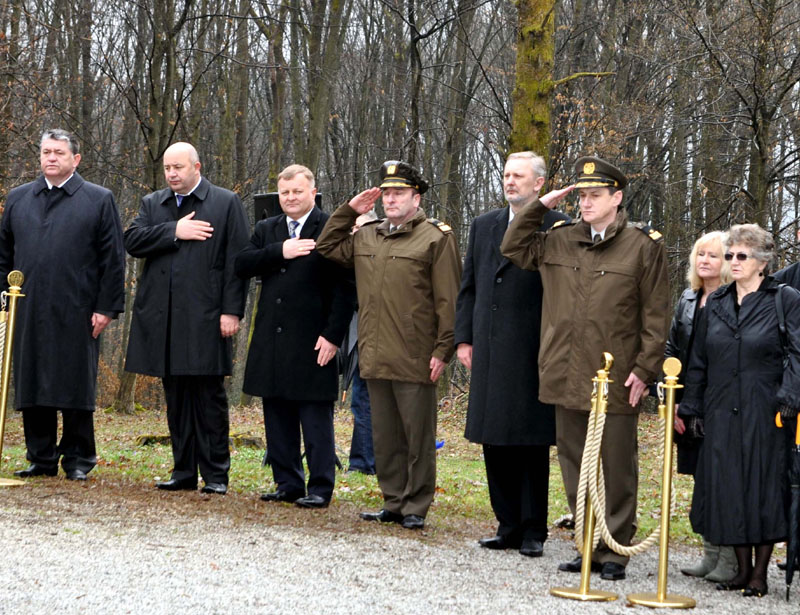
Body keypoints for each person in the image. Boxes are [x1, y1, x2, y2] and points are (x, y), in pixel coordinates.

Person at [500, 156, 669, 580]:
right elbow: (513, 247)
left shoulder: (642, 246)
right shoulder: (560, 238)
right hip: (564, 368)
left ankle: (615, 549)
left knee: (615, 464)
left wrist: (645, 369)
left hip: (616, 374)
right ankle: (588, 542)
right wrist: (539, 206)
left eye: (595, 195)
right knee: (575, 462)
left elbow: (656, 315)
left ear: (617, 197)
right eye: (582, 196)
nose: (586, 203)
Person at [316, 160, 461, 530]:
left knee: (417, 437)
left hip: (416, 354)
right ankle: (393, 501)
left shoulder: (435, 237)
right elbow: (326, 246)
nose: (391, 199)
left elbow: (449, 301)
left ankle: (416, 506)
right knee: (384, 435)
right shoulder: (367, 235)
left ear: (416, 198)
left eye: (399, 193)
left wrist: (443, 350)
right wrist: (349, 211)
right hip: (375, 351)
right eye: (387, 193)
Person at [454, 151, 569, 558]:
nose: (510, 181)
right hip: (488, 344)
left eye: (519, 175)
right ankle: (506, 525)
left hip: (531, 347)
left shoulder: (558, 226)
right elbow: (469, 286)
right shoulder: (484, 224)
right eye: (506, 174)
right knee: (494, 439)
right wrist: (463, 339)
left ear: (539, 183)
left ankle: (533, 528)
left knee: (529, 441)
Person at [679, 224, 800, 598]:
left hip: (767, 408)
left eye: (741, 256)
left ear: (761, 262)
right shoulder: (715, 302)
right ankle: (741, 570)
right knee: (729, 486)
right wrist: (693, 407)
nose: (733, 261)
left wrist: (790, 396)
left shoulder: (784, 298)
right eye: (730, 254)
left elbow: (798, 353)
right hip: (720, 408)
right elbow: (698, 360)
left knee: (763, 487)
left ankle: (759, 574)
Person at [124, 142, 249, 495]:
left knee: (208, 398)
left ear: (197, 166)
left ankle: (216, 474)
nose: (172, 174)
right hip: (164, 320)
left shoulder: (225, 202)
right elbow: (132, 240)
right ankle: (183, 471)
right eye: (167, 168)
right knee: (176, 398)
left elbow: (237, 261)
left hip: (207, 317)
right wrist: (173, 231)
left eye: (178, 167)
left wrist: (231, 310)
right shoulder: (154, 203)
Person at [0, 129, 125, 481]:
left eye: (59, 152)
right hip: (26, 307)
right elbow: (3, 254)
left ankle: (78, 458)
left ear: (76, 159)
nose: (51, 158)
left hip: (78, 308)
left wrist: (106, 307)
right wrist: (3, 301)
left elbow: (113, 259)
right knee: (32, 382)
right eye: (46, 152)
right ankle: (40, 458)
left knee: (75, 384)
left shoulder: (98, 199)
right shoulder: (19, 198)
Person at [234, 164, 355, 508]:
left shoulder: (330, 228)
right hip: (272, 339)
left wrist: (333, 336)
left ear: (313, 193)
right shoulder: (267, 228)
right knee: (277, 415)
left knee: (315, 418)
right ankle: (287, 483)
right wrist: (280, 251)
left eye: (297, 192)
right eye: (284, 192)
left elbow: (346, 288)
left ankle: (320, 487)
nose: (290, 198)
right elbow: (242, 263)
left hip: (314, 339)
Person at [665, 232, 737, 582]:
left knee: (723, 481)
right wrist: (674, 402)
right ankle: (710, 555)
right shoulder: (688, 298)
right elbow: (672, 348)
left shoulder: (736, 300)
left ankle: (729, 559)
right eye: (700, 254)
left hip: (722, 403)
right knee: (701, 480)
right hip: (688, 401)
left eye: (713, 255)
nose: (704, 260)